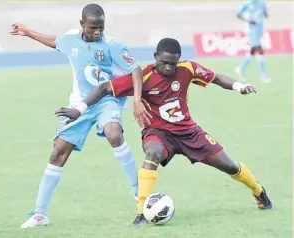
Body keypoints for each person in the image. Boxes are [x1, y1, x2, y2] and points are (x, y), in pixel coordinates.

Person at [55, 38, 272, 226]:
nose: (168, 67)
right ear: (155, 56)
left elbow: (216, 78)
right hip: (158, 131)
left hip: (189, 132)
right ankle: (141, 212)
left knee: (230, 166)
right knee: (152, 153)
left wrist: (239, 87)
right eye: (164, 62)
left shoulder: (188, 69)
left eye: (173, 63)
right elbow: (104, 88)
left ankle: (258, 190)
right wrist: (79, 108)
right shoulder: (144, 77)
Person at [10, 3, 151, 228]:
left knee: (114, 133)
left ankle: (139, 197)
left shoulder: (112, 45)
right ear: (82, 24)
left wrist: (136, 101)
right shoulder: (71, 39)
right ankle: (40, 213)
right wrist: (27, 32)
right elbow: (55, 41)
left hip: (107, 100)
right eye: (93, 27)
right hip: (80, 102)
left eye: (101, 27)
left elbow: (136, 69)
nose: (97, 32)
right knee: (58, 151)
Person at [235, 0, 271, 83]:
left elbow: (266, 15)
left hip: (260, 29)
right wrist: (248, 20)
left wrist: (265, 12)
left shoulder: (262, 2)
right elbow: (238, 14)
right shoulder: (247, 3)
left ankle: (241, 68)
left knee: (253, 50)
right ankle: (263, 75)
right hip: (251, 29)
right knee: (259, 49)